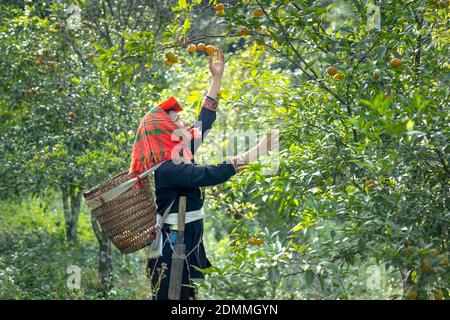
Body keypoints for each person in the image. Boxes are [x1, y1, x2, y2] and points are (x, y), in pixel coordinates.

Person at [128, 48, 278, 300]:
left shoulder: (181, 151)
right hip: (172, 247)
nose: (185, 123)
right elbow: (209, 174)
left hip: (185, 241)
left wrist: (216, 78)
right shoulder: (169, 168)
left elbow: (204, 122)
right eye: (178, 120)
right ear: (167, 131)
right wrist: (259, 150)